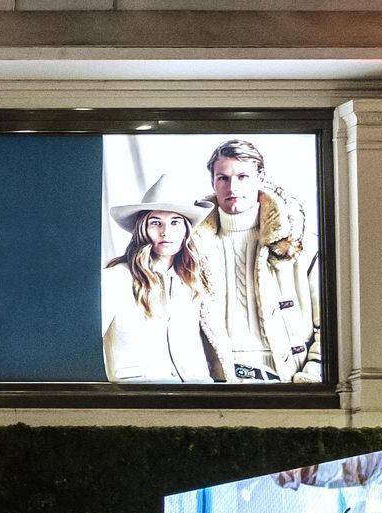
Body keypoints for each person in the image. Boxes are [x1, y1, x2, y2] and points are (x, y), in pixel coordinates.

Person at [191, 138, 318, 382]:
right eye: (223, 178)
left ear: (260, 179)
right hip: (217, 383)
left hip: (289, 382)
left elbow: (331, 325)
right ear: (213, 182)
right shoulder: (191, 247)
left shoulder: (300, 243)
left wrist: (312, 375)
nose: (232, 187)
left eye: (243, 177)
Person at [100, 188, 224, 383]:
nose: (165, 232)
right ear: (142, 228)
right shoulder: (116, 278)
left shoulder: (193, 280)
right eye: (155, 222)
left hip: (197, 391)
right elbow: (84, 343)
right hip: (138, 394)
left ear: (186, 230)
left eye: (175, 222)